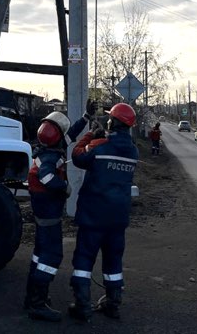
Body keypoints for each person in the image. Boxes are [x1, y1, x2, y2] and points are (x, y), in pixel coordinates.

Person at [24, 100, 98, 322]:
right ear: (55, 135)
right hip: (48, 212)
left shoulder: (47, 148)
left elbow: (71, 135)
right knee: (52, 255)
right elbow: (47, 177)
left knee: (39, 254)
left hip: (43, 211)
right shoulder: (50, 157)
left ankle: (33, 298)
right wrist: (64, 187)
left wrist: (85, 117)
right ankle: (37, 304)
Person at [67, 103, 139, 322]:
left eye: (109, 119)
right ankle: (113, 304)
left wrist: (90, 135)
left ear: (112, 122)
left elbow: (78, 156)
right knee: (113, 263)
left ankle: (82, 306)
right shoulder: (133, 152)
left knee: (83, 261)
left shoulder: (100, 146)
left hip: (93, 216)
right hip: (118, 218)